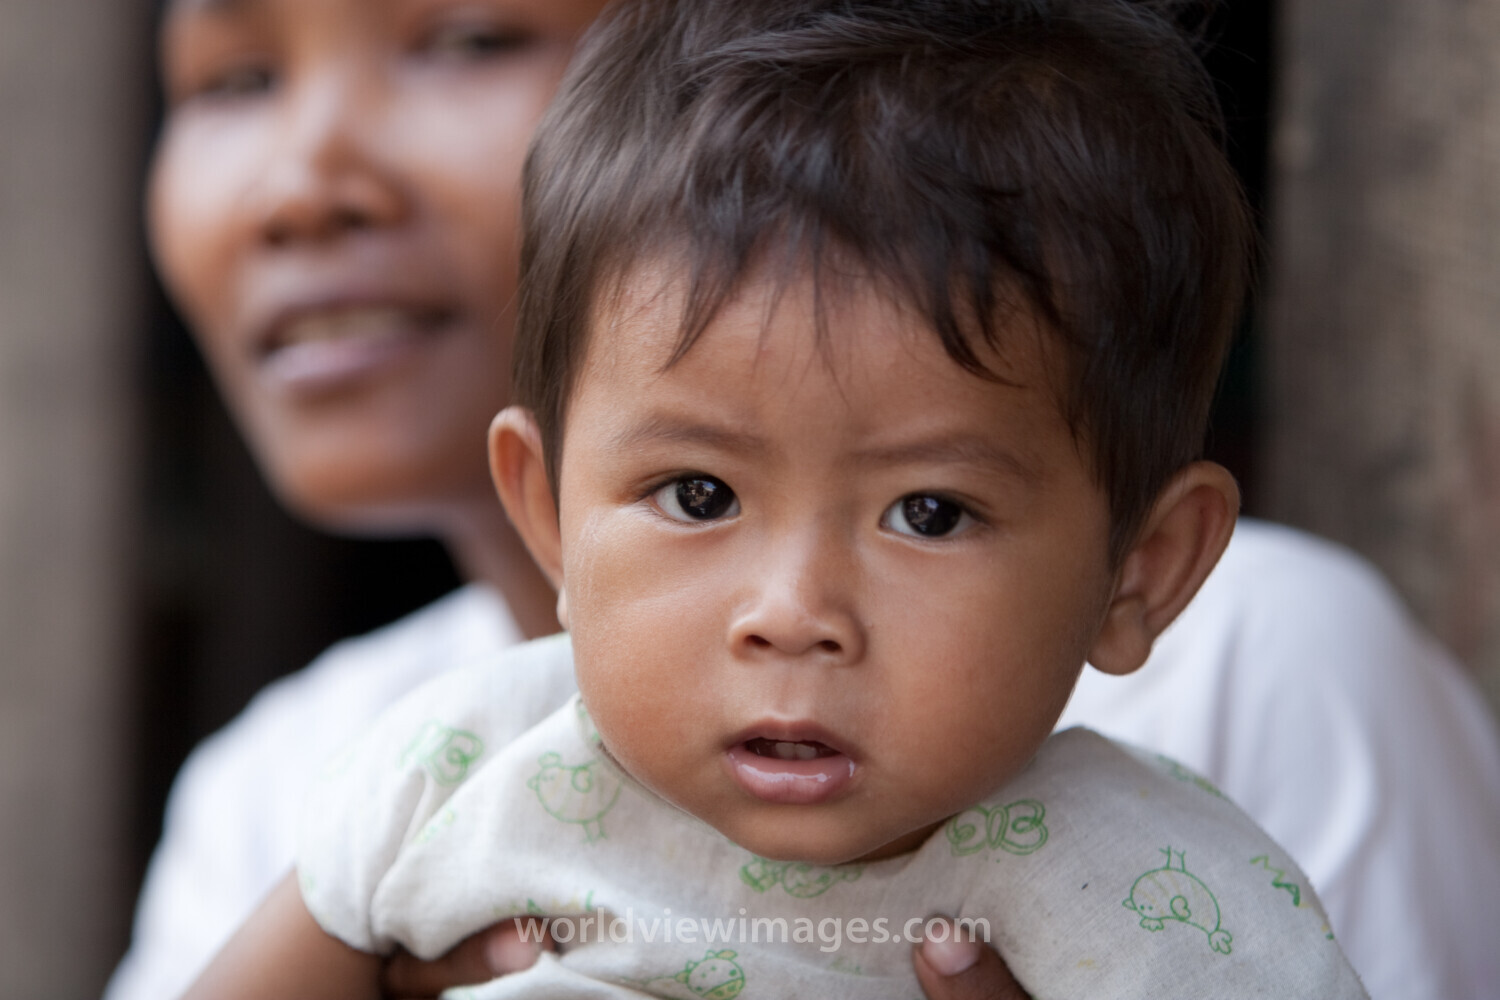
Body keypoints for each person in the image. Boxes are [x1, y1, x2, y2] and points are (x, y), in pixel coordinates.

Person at [111, 0, 1500, 997]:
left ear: (1141, 570)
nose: (796, 614)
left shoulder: (1157, 881)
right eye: (700, 491)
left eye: (929, 514)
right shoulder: (439, 774)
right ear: (544, 507)